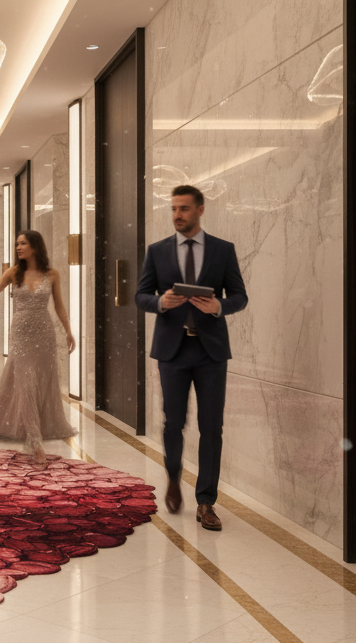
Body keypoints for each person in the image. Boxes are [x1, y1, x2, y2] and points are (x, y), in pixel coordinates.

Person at [135, 184, 248, 531]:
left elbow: (240, 296)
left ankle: (206, 502)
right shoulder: (157, 251)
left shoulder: (222, 251)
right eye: (173, 209)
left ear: (200, 210)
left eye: (183, 209)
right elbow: (140, 295)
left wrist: (219, 306)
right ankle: (172, 477)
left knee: (211, 427)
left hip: (211, 351)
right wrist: (159, 303)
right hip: (173, 350)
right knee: (174, 422)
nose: (177, 215)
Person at [0, 230, 76, 466]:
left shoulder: (52, 275)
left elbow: (59, 307)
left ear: (35, 247)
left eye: (23, 243)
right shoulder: (13, 273)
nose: (18, 247)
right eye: (17, 243)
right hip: (20, 335)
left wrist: (68, 331)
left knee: (40, 384)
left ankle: (35, 431)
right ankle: (35, 442)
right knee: (26, 383)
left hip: (44, 335)